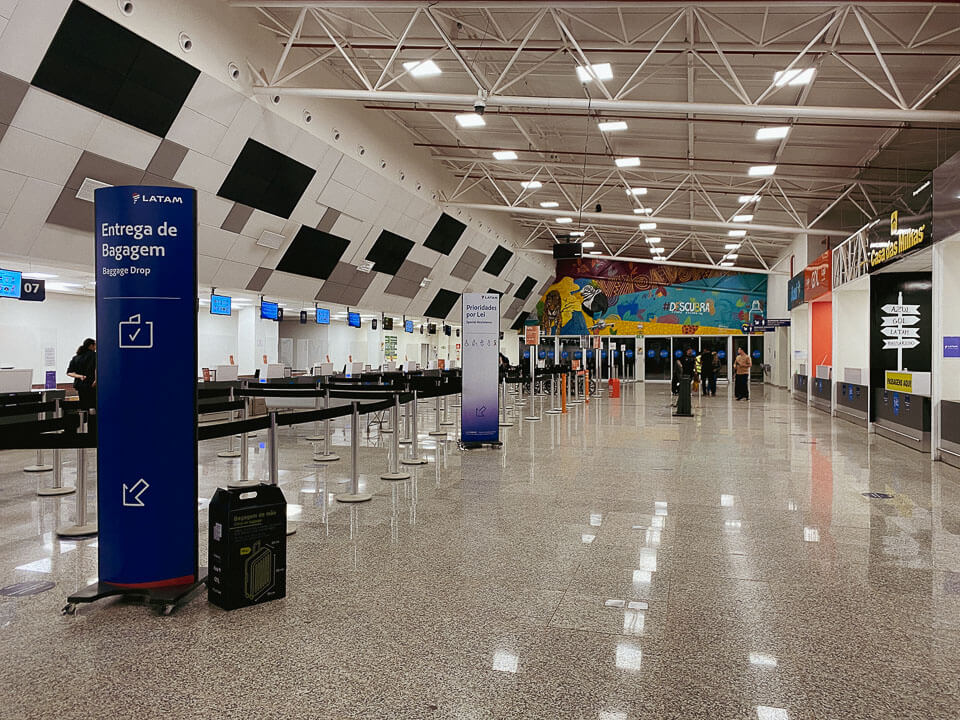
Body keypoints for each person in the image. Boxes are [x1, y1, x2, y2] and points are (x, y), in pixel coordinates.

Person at [66, 338, 97, 411]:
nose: (96, 347)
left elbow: (69, 372)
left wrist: (80, 376)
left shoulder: (76, 357)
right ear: (91, 346)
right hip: (92, 384)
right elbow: (97, 369)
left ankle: (84, 421)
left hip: (80, 386)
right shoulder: (95, 355)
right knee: (93, 406)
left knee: (83, 406)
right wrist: (96, 381)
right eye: (95, 345)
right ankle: (92, 421)